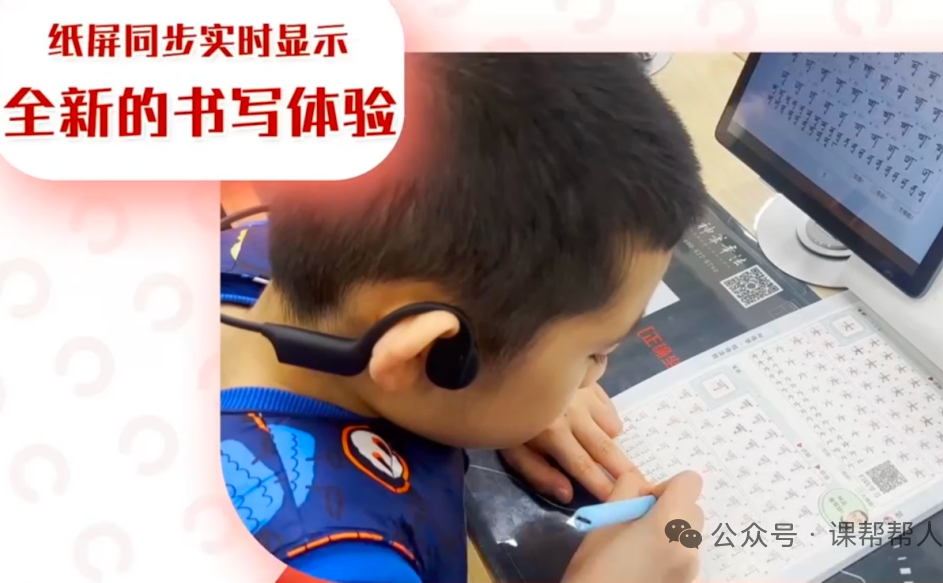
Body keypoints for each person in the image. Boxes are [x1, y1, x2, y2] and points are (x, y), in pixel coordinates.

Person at [220, 53, 710, 583]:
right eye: (594, 353)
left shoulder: (274, 249)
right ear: (434, 356)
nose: (593, 377)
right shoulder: (329, 560)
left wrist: (510, 382)